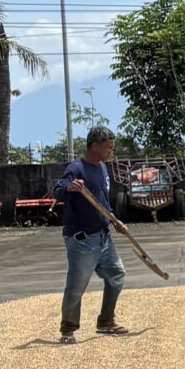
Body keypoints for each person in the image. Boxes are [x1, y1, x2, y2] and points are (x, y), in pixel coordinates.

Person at [54, 125, 132, 342]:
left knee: (117, 274)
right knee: (77, 284)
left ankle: (106, 321)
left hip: (103, 236)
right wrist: (70, 187)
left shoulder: (103, 169)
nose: (111, 152)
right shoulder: (76, 168)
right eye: (108, 147)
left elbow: (102, 201)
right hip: (82, 240)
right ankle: (68, 329)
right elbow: (58, 190)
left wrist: (114, 221)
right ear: (95, 146)